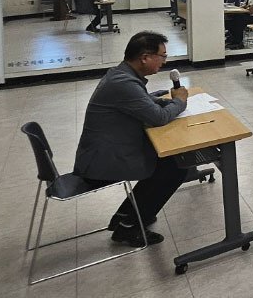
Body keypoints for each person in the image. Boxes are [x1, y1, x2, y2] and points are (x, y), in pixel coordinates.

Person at [74, 32, 189, 246]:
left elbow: (137, 101)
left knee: (168, 160)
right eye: (162, 56)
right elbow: (159, 118)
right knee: (174, 166)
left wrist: (155, 99)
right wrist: (179, 102)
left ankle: (127, 215)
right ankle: (129, 227)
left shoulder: (121, 74)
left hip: (102, 152)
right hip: (102, 162)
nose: (165, 61)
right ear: (145, 57)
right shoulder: (124, 83)